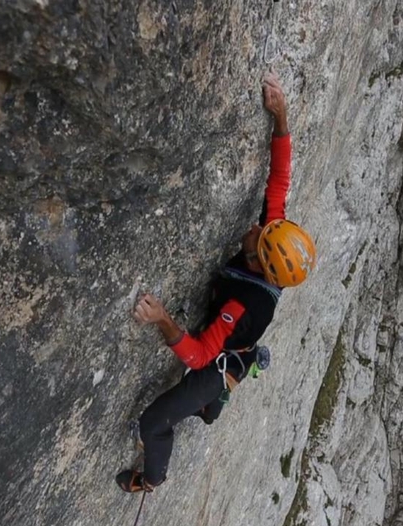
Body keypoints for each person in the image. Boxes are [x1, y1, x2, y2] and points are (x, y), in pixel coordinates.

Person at [116, 73, 316, 494]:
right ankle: (213, 405)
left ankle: (151, 480)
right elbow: (279, 181)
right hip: (234, 349)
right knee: (207, 404)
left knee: (153, 423)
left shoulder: (242, 304)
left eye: (258, 236)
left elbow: (199, 356)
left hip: (218, 364)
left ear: (259, 263)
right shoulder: (270, 247)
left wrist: (161, 318)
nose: (255, 228)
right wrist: (281, 115)